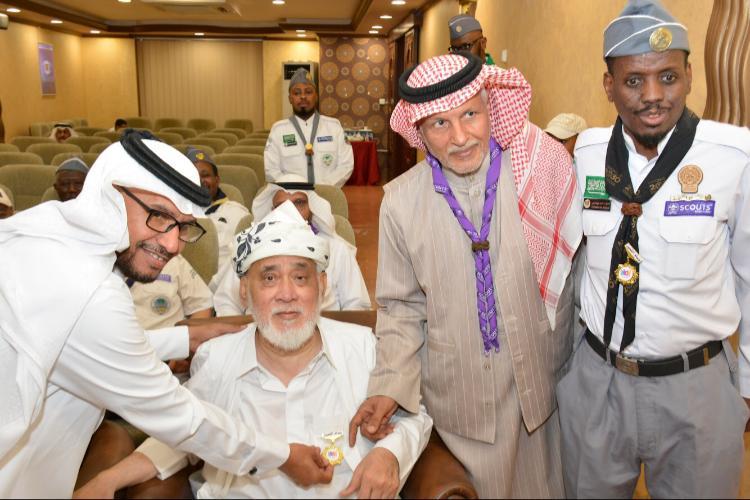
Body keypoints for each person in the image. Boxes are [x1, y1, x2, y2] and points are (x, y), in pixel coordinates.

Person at [0, 131, 337, 497]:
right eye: (159, 216)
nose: (173, 244)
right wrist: (282, 456)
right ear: (111, 194)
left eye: (183, 226)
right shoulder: (90, 290)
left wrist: (185, 337)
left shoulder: (48, 237)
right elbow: (179, 417)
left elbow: (73, 344)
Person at [74, 201, 432, 499]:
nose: (287, 294)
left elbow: (415, 415)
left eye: (301, 277)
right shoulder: (218, 359)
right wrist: (109, 479)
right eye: (270, 278)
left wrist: (389, 454)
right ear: (245, 291)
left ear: (322, 286)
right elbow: (183, 434)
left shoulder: (364, 346)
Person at [349, 53, 582, 497]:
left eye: (470, 115)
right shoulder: (400, 202)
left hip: (542, 390)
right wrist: (389, 386)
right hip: (462, 404)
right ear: (419, 131)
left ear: (491, 107)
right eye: (439, 124)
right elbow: (400, 309)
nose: (459, 137)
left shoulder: (538, 170)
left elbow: (578, 271)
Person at [557, 1, 750, 498]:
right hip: (597, 383)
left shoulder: (734, 156)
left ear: (689, 76)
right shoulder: (587, 153)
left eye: (668, 77)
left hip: (696, 389)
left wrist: (748, 388)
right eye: (633, 81)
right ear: (609, 86)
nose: (653, 96)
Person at [213, 174, 371, 315]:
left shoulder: (336, 249)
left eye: (299, 203)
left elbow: (357, 304)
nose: (290, 211)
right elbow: (227, 301)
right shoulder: (252, 247)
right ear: (272, 211)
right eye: (281, 206)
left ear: (312, 209)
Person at [265, 68, 353, 187]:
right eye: (297, 93)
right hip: (291, 195)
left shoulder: (334, 127)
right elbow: (271, 170)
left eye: (308, 92)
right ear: (290, 98)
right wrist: (294, 190)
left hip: (327, 194)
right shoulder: (278, 131)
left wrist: (325, 188)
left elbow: (346, 165)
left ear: (316, 96)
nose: (303, 96)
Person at [187, 147, 249, 276]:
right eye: (193, 176)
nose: (200, 181)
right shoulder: (174, 213)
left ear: (217, 180)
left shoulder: (237, 213)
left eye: (205, 175)